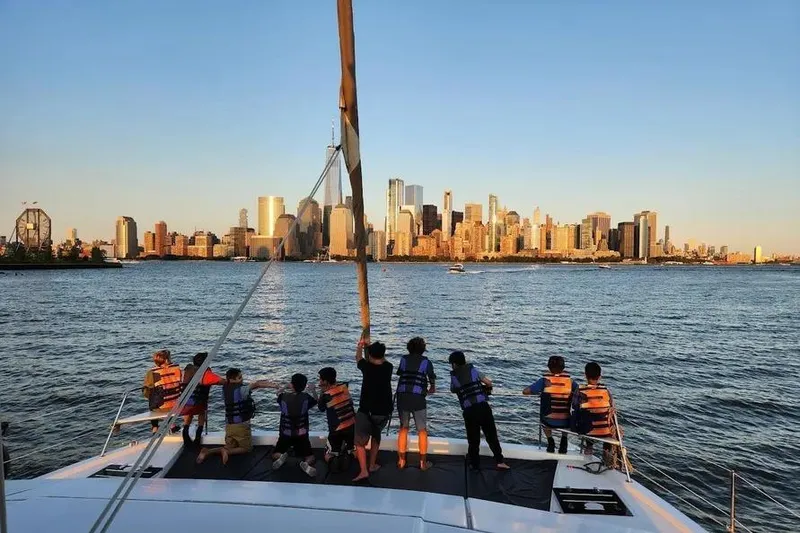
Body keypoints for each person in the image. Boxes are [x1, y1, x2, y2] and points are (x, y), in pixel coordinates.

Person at [449, 351, 510, 471]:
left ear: (454, 364)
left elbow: (453, 390)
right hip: (483, 407)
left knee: (473, 439)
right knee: (492, 436)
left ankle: (475, 465)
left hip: (469, 411)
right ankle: (499, 461)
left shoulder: (454, 377)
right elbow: (488, 382)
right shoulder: (473, 370)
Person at [196, 368, 271, 465]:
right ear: (233, 379)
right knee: (247, 448)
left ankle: (207, 451)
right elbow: (256, 384)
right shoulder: (242, 390)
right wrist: (274, 385)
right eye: (239, 378)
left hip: (229, 425)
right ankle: (227, 452)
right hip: (241, 426)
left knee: (229, 446)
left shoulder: (225, 389)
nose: (242, 379)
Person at [353, 338, 393, 482]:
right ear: (383, 355)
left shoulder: (366, 367)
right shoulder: (389, 367)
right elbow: (382, 359)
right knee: (376, 435)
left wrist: (360, 346)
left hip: (366, 411)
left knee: (359, 442)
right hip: (383, 412)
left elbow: (358, 358)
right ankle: (372, 465)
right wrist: (371, 349)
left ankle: (364, 470)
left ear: (369, 355)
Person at [523, 355, 579, 454]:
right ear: (563, 368)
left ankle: (550, 441)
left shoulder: (544, 381)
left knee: (544, 419)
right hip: (566, 421)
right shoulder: (570, 382)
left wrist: (542, 392)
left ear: (548, 367)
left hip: (548, 421)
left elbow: (525, 391)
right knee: (567, 415)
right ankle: (564, 440)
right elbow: (580, 393)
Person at [396, 337, 436, 470]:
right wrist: (432, 388)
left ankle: (401, 461)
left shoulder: (403, 359)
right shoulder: (426, 361)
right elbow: (431, 378)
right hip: (418, 397)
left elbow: (400, 373)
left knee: (403, 428)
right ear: (423, 349)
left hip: (402, 396)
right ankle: (423, 463)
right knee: (422, 430)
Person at [271, 373, 319, 477]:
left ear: (292, 385)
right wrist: (313, 389)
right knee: (310, 456)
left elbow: (277, 393)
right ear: (304, 386)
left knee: (275, 454)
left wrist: (284, 386)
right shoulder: (306, 398)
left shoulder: (283, 397)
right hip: (301, 435)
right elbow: (317, 400)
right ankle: (306, 463)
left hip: (285, 434)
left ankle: (282, 457)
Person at [572, 362, 615, 465]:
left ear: (585, 375)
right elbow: (611, 407)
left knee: (586, 417)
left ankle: (589, 447)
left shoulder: (580, 390)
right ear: (600, 376)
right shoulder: (606, 391)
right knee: (602, 424)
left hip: (587, 430)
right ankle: (607, 459)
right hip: (605, 431)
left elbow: (574, 405)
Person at [180, 352, 224, 448]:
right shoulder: (205, 373)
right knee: (201, 412)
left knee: (190, 412)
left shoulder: (187, 370)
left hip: (185, 402)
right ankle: (198, 435)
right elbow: (220, 381)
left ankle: (185, 431)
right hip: (199, 403)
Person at [317, 367, 356, 471]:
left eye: (320, 379)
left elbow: (320, 408)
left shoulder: (325, 395)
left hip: (336, 430)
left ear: (325, 381)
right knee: (352, 448)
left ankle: (332, 459)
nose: (319, 381)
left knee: (328, 452)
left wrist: (318, 391)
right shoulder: (344, 387)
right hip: (352, 426)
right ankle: (351, 454)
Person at [142, 349, 182, 433]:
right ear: (167, 359)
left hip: (161, 407)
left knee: (153, 398)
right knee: (167, 398)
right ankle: (172, 425)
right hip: (177, 404)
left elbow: (146, 392)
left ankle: (155, 427)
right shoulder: (177, 369)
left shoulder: (153, 372)